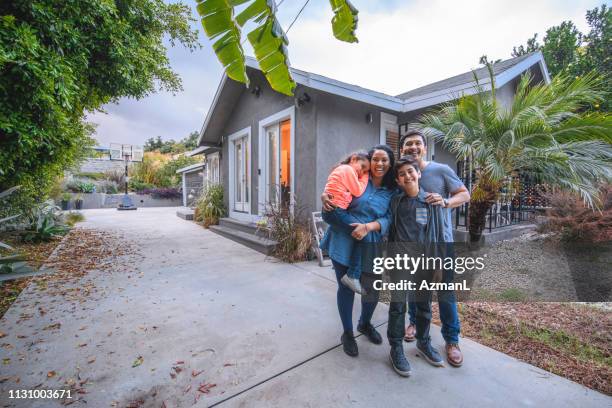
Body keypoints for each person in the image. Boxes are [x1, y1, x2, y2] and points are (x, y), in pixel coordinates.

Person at [400, 130, 470, 367]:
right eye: (408, 144)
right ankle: (414, 323)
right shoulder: (402, 174)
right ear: (402, 150)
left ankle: (452, 340)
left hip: (441, 243)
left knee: (445, 292)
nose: (412, 147)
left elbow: (465, 194)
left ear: (424, 147)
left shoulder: (441, 170)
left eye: (417, 143)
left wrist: (446, 202)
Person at [320, 145, 397, 357]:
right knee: (345, 288)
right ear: (369, 161)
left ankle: (365, 323)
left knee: (372, 288)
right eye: (376, 159)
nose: (379, 164)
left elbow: (390, 218)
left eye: (385, 160)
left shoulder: (392, 191)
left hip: (370, 242)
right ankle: (347, 333)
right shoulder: (357, 177)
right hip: (343, 241)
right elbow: (334, 191)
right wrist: (326, 197)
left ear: (390, 165)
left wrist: (369, 227)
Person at [386, 156, 449, 376]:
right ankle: (396, 347)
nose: (407, 176)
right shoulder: (396, 202)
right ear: (398, 180)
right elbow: (390, 231)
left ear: (419, 174)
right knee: (398, 306)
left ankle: (423, 342)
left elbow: (438, 235)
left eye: (410, 171)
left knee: (423, 305)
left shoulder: (431, 202)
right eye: (402, 174)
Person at [322, 151, 371, 294]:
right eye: (362, 167)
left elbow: (329, 188)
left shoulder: (340, 169)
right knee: (364, 235)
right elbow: (358, 191)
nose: (361, 172)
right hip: (336, 211)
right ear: (354, 158)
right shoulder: (348, 170)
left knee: (360, 234)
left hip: (333, 211)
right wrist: (366, 177)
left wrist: (324, 196)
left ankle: (353, 274)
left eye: (365, 171)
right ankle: (352, 275)